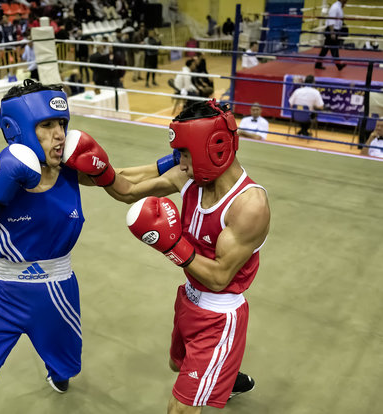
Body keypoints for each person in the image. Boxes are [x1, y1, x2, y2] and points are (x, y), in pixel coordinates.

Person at [86, 99, 269, 413]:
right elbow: (128, 190)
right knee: (176, 363)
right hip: (188, 300)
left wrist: (173, 247)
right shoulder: (189, 179)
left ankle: (219, 369)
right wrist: (94, 170)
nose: (180, 164)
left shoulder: (249, 206)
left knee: (180, 408)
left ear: (213, 148)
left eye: (185, 154)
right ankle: (225, 375)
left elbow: (219, 276)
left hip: (220, 316)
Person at [0, 79, 117, 413]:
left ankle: (57, 371)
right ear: (19, 129)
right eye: (47, 125)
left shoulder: (70, 170)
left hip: (57, 293)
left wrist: (173, 165)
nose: (60, 134)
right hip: (3, 296)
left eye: (62, 124)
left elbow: (124, 183)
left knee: (67, 370)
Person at [315, 0, 347, 70]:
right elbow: (331, 20)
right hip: (332, 30)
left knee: (325, 49)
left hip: (334, 30)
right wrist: (332, 32)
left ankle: (318, 64)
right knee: (334, 48)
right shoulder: (335, 7)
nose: (347, 1)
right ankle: (338, 66)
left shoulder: (338, 7)